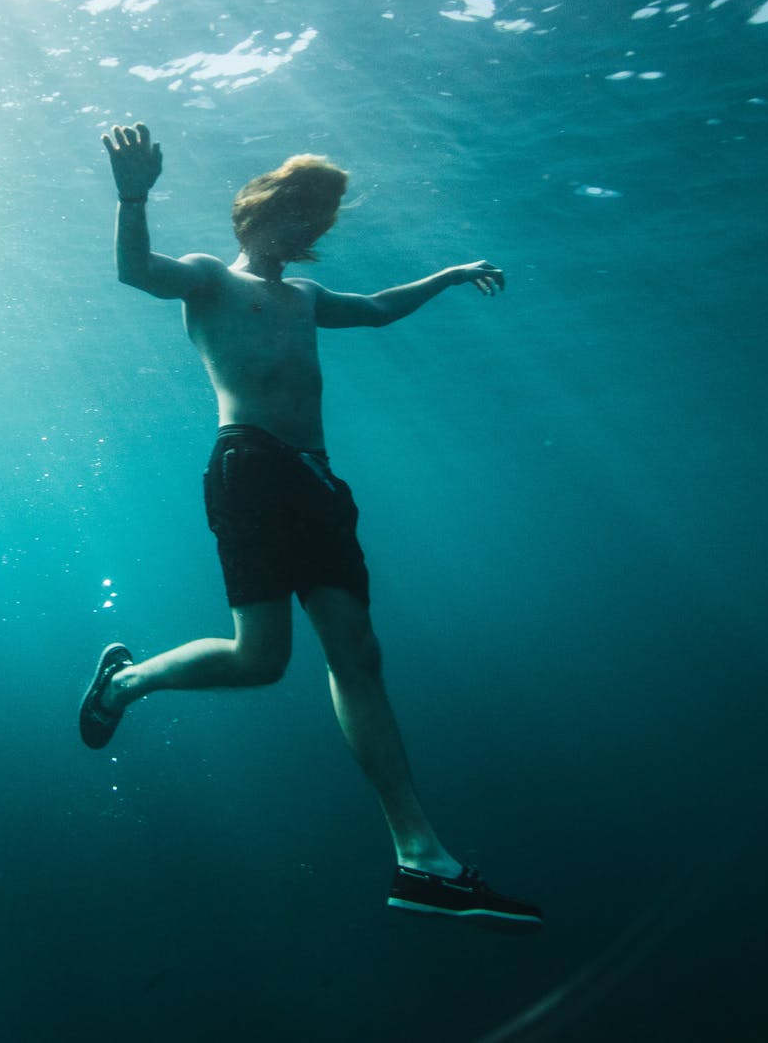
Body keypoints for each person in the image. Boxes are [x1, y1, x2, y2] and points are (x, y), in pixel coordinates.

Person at [78, 122, 542, 929]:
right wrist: (133, 193)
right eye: (298, 215)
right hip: (249, 464)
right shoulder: (207, 279)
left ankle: (420, 858)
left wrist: (453, 272)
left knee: (359, 656)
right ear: (257, 215)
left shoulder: (307, 298)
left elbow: (381, 308)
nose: (309, 232)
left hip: (319, 478)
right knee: (262, 660)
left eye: (318, 221)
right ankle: (124, 682)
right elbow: (135, 271)